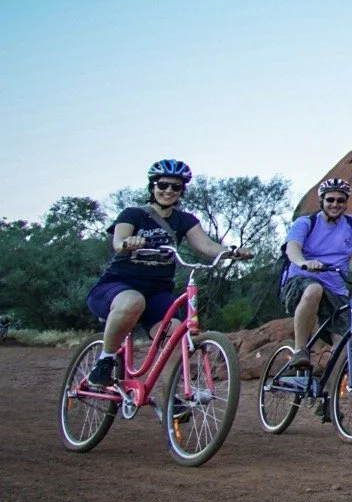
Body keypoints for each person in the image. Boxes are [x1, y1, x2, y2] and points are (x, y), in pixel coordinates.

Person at [85, 159, 251, 387]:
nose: (169, 191)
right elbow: (118, 241)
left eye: (176, 187)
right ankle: (106, 360)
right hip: (118, 285)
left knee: (177, 337)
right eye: (163, 185)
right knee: (133, 301)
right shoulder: (133, 214)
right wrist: (128, 242)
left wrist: (231, 252)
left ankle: (172, 396)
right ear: (153, 186)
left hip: (157, 292)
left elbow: (207, 246)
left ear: (182, 190)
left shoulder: (184, 220)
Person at [280, 177, 352, 370]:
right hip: (300, 280)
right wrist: (304, 263)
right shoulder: (305, 223)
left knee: (344, 348)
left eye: (340, 200)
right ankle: (300, 350)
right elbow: (292, 248)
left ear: (346, 202)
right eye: (330, 200)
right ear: (321, 201)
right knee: (314, 290)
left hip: (336, 288)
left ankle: (330, 397)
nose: (335, 204)